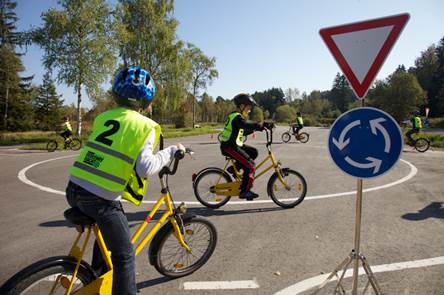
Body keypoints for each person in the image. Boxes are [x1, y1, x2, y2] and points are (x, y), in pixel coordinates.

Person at [65, 66, 185, 295]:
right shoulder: (145, 125)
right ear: (145, 100)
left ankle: (101, 278)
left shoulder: (104, 117)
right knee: (125, 255)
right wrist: (171, 151)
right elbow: (145, 167)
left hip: (73, 189)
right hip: (100, 199)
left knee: (108, 235)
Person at [219, 93, 272, 200]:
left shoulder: (236, 117)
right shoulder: (237, 118)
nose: (250, 110)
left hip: (233, 145)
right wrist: (260, 124)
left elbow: (243, 130)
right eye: (248, 107)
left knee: (253, 152)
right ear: (242, 106)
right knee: (250, 165)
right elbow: (246, 124)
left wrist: (260, 128)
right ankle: (245, 191)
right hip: (229, 147)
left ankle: (234, 169)